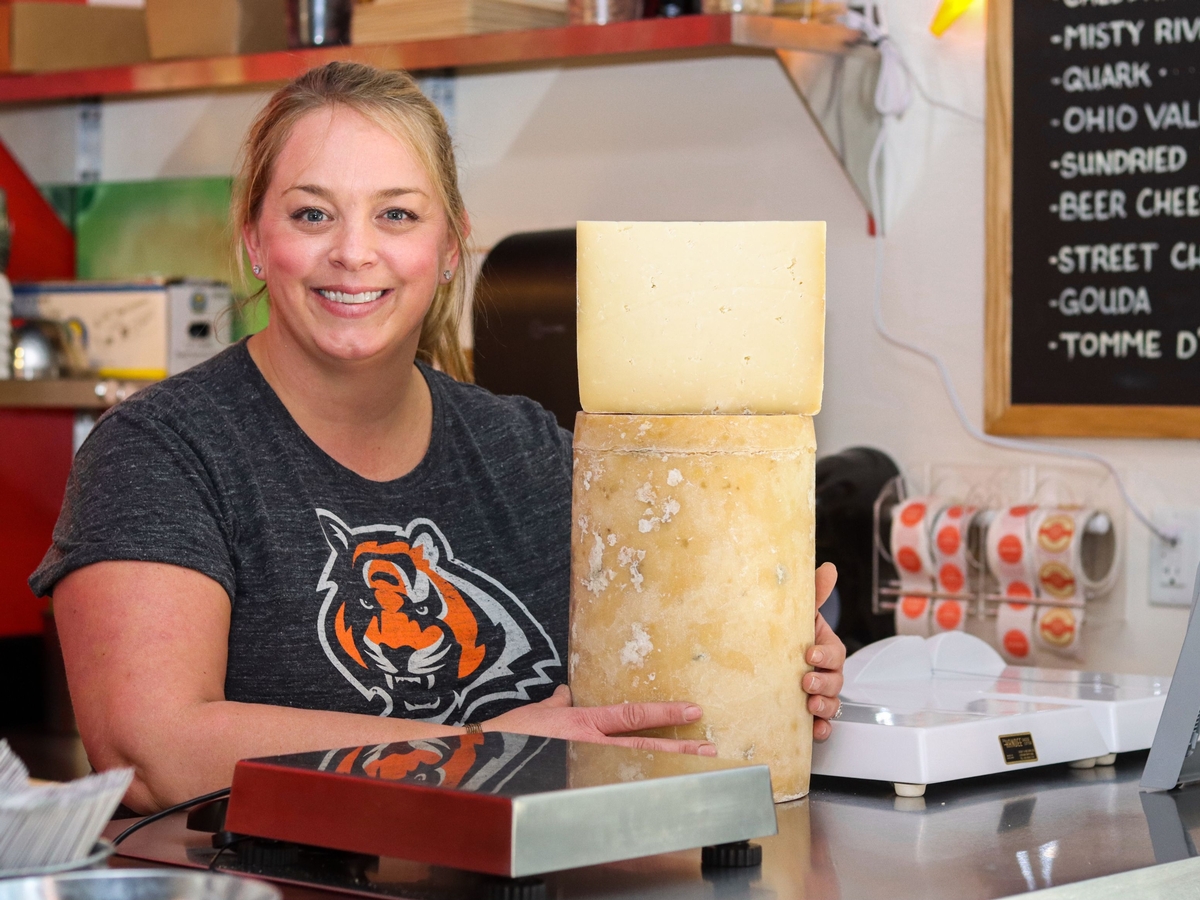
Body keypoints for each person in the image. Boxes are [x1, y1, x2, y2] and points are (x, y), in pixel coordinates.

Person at [30, 62, 846, 814]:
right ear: (254, 240)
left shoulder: (530, 455)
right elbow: (153, 752)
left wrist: (770, 664)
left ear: (450, 247)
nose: (353, 252)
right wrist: (486, 753)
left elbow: (646, 701)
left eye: (396, 214)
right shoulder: (160, 451)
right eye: (312, 213)